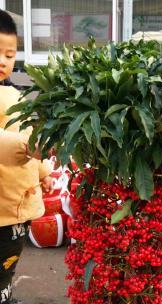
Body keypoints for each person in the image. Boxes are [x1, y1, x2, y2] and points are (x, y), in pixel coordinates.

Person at [0, 10, 53, 304]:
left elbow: (29, 134)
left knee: (8, 261)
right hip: (1, 208)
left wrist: (43, 171)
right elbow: (17, 141)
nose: (3, 61)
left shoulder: (14, 95)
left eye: (9, 54)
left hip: (17, 207)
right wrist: (26, 146)